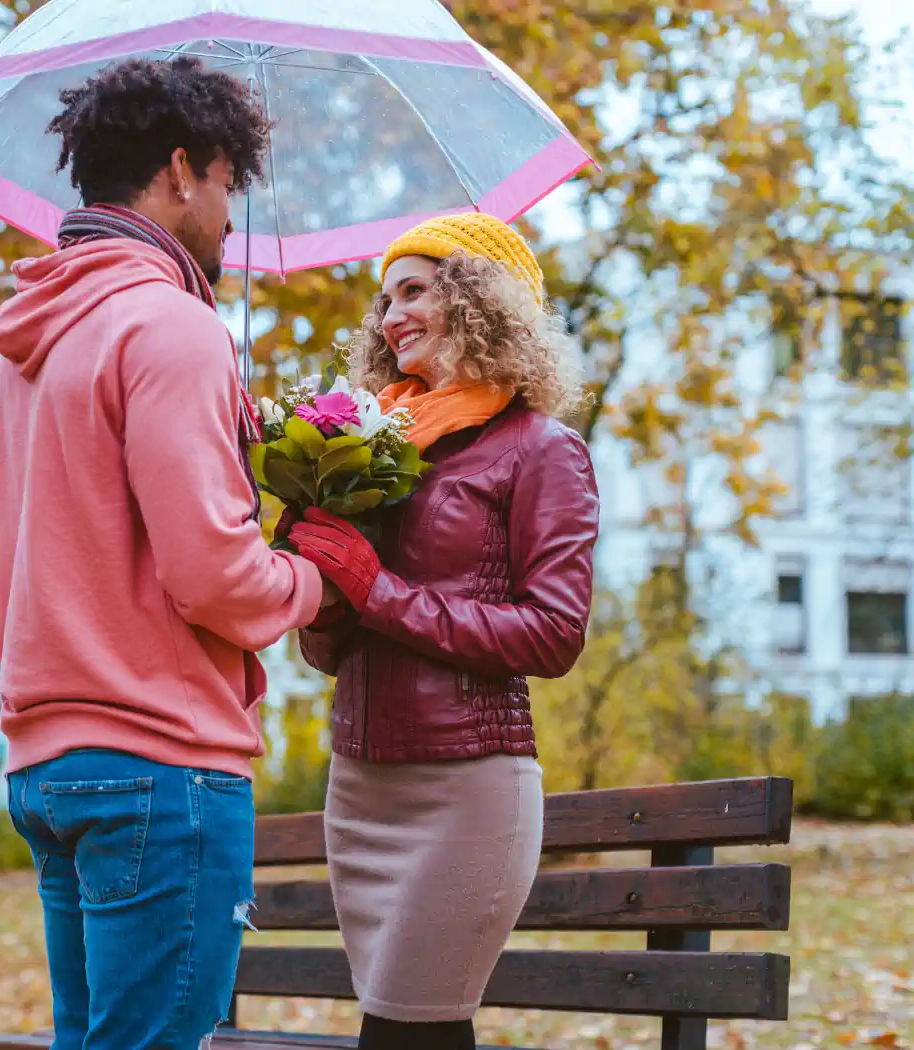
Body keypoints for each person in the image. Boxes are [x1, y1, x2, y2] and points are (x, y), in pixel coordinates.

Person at [0, 56, 326, 1050]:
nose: (230, 220)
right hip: (157, 762)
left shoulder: (27, 343)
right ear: (180, 171)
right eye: (228, 188)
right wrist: (314, 579)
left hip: (48, 764)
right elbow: (214, 575)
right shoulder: (170, 325)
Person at [287, 213, 600, 1050]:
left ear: (479, 300)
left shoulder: (543, 450)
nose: (389, 317)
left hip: (467, 785)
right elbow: (327, 651)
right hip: (359, 784)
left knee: (410, 1032)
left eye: (414, 290)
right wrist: (316, 584)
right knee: (393, 1029)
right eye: (384, 299)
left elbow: (553, 634)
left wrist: (375, 588)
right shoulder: (370, 452)